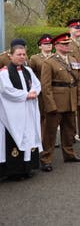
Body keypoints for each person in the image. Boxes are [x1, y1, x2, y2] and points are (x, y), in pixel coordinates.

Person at [40, 33, 80, 171]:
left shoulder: (73, 60)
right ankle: (46, 158)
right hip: (56, 102)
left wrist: (79, 100)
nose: (67, 46)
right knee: (50, 132)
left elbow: (77, 82)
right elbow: (45, 87)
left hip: (70, 100)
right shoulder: (49, 62)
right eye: (64, 44)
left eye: (68, 43)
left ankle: (69, 154)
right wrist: (51, 105)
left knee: (69, 130)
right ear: (57, 46)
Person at [0, 40, 42, 180]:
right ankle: (14, 171)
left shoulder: (28, 70)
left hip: (28, 111)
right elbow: (6, 90)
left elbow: (37, 84)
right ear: (11, 56)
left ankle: (27, 168)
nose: (22, 57)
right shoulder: (4, 73)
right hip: (13, 113)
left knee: (29, 136)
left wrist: (35, 91)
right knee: (14, 139)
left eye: (24, 54)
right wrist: (25, 95)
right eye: (18, 54)